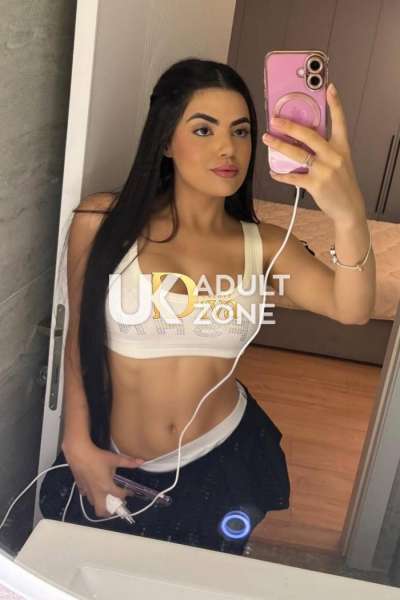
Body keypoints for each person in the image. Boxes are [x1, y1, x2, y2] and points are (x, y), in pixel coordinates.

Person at [39, 57, 375, 556]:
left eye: (241, 131)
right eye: (203, 129)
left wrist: (349, 216)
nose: (228, 148)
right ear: (165, 141)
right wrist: (76, 441)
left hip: (222, 456)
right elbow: (78, 340)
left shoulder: (264, 244)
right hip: (115, 455)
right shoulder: (100, 221)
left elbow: (352, 308)